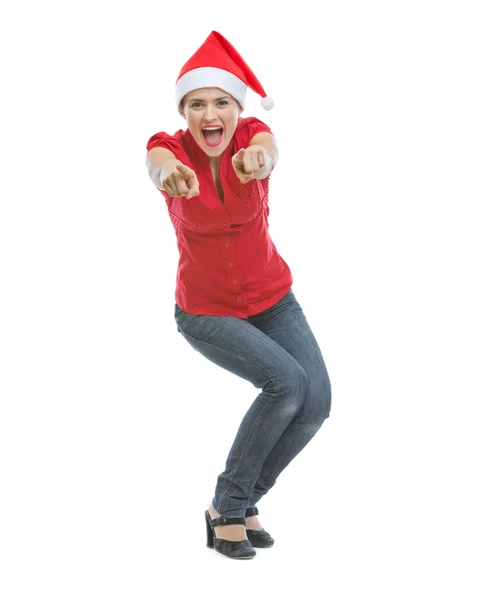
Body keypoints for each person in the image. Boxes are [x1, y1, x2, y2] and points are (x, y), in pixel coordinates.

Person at [145, 30, 332, 560]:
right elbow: (156, 162)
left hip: (273, 298)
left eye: (221, 102)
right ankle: (227, 508)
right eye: (197, 103)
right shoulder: (169, 148)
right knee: (285, 384)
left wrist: (259, 160)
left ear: (235, 106)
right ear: (185, 111)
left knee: (315, 402)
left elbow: (265, 149)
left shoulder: (253, 136)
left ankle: (243, 501)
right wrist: (168, 174)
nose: (211, 113)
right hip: (206, 311)